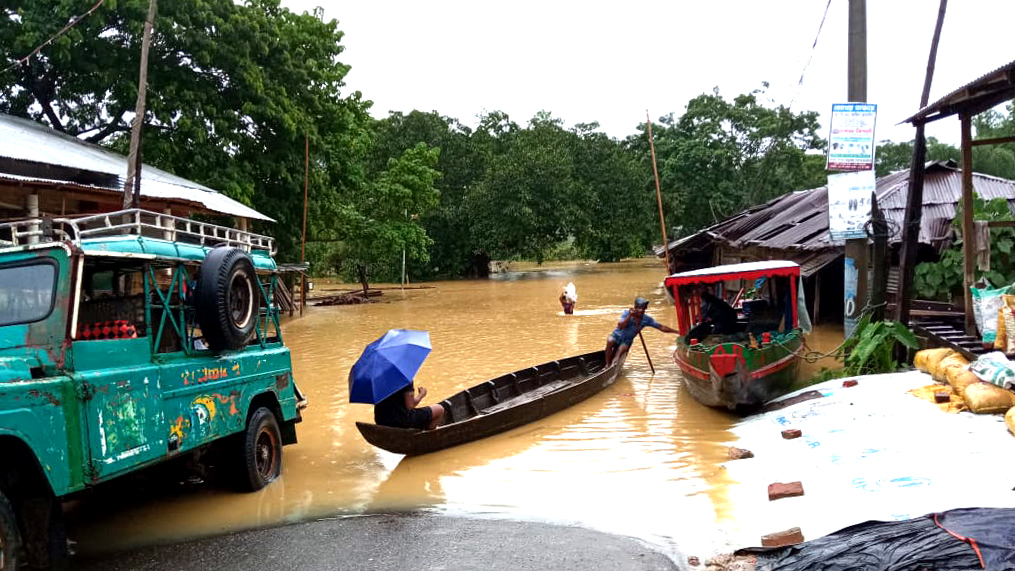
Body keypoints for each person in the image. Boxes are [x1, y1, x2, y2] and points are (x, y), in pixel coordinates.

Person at [604, 297, 678, 366]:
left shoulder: (646, 319)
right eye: (639, 308)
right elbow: (620, 326)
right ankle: (607, 365)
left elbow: (661, 327)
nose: (641, 310)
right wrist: (629, 316)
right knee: (610, 340)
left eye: (643, 308)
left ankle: (615, 360)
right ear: (635, 308)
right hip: (616, 335)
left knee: (620, 353)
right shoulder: (627, 313)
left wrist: (677, 332)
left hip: (626, 341)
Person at [374, 382, 446, 430]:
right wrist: (421, 394)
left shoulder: (377, 380)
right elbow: (410, 405)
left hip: (381, 420)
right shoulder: (405, 378)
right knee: (439, 409)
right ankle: (429, 437)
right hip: (400, 420)